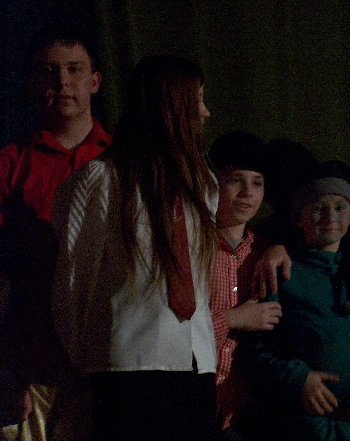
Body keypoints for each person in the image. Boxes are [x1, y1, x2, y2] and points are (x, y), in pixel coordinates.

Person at [51, 54, 217, 441]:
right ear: (171, 108)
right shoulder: (103, 179)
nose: (205, 112)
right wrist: (84, 357)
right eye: (197, 100)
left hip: (196, 361)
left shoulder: (201, 183)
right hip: (129, 367)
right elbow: (76, 280)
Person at [0, 23, 111, 441]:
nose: (62, 81)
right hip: (32, 363)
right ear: (31, 84)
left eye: (74, 69)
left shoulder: (123, 161)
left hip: (104, 361)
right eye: (49, 71)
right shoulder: (10, 164)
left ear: (95, 81)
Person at [244, 160, 350, 441]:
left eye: (340, 207)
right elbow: (255, 351)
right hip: (314, 428)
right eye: (317, 208)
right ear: (298, 218)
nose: (330, 216)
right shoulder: (282, 272)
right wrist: (298, 378)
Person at [207, 131, 283, 440]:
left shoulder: (264, 252)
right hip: (193, 399)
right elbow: (173, 331)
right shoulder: (193, 246)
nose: (247, 193)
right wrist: (234, 319)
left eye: (257, 183)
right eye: (235, 180)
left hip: (244, 410)